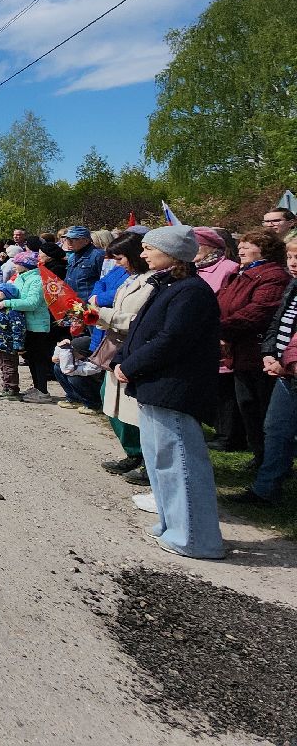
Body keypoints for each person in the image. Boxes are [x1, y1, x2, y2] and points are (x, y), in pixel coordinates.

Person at [113, 225, 226, 559]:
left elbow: (171, 340)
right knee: (161, 460)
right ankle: (172, 526)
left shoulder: (191, 291)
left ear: (173, 253)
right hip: (155, 386)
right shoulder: (170, 285)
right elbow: (141, 330)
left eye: (149, 248)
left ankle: (195, 538)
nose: (143, 254)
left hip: (174, 387)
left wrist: (131, 366)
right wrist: (122, 358)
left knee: (181, 464)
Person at [216, 229, 289, 473]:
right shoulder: (239, 273)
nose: (242, 249)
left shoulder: (273, 276)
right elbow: (223, 303)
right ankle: (259, 456)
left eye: (249, 245)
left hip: (258, 352)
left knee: (264, 408)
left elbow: (258, 312)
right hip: (238, 350)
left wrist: (221, 331)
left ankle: (272, 461)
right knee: (247, 405)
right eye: (242, 244)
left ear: (265, 250)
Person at [231, 233, 297, 505]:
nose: (293, 263)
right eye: (291, 256)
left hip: (289, 368)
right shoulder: (294, 285)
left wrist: (287, 363)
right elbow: (277, 322)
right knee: (276, 428)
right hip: (283, 370)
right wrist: (269, 353)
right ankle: (266, 489)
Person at [94, 233, 153, 480]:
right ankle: (133, 452)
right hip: (117, 345)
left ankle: (147, 459)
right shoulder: (132, 279)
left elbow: (143, 321)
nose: (117, 263)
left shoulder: (152, 283)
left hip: (134, 348)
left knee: (133, 408)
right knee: (110, 399)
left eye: (120, 258)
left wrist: (103, 315)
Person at [0, 250, 56, 403]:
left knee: (38, 359)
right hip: (25, 323)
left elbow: (32, 303)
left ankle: (42, 391)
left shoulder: (36, 280)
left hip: (37, 325)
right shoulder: (21, 278)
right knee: (31, 358)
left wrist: (6, 303)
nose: (14, 266)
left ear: (25, 265)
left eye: (17, 263)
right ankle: (37, 387)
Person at [62, 226, 105, 299]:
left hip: (89, 303)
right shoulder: (72, 257)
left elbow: (104, 281)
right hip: (73, 302)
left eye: (73, 239)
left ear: (86, 241)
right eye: (67, 239)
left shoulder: (98, 256)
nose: (68, 242)